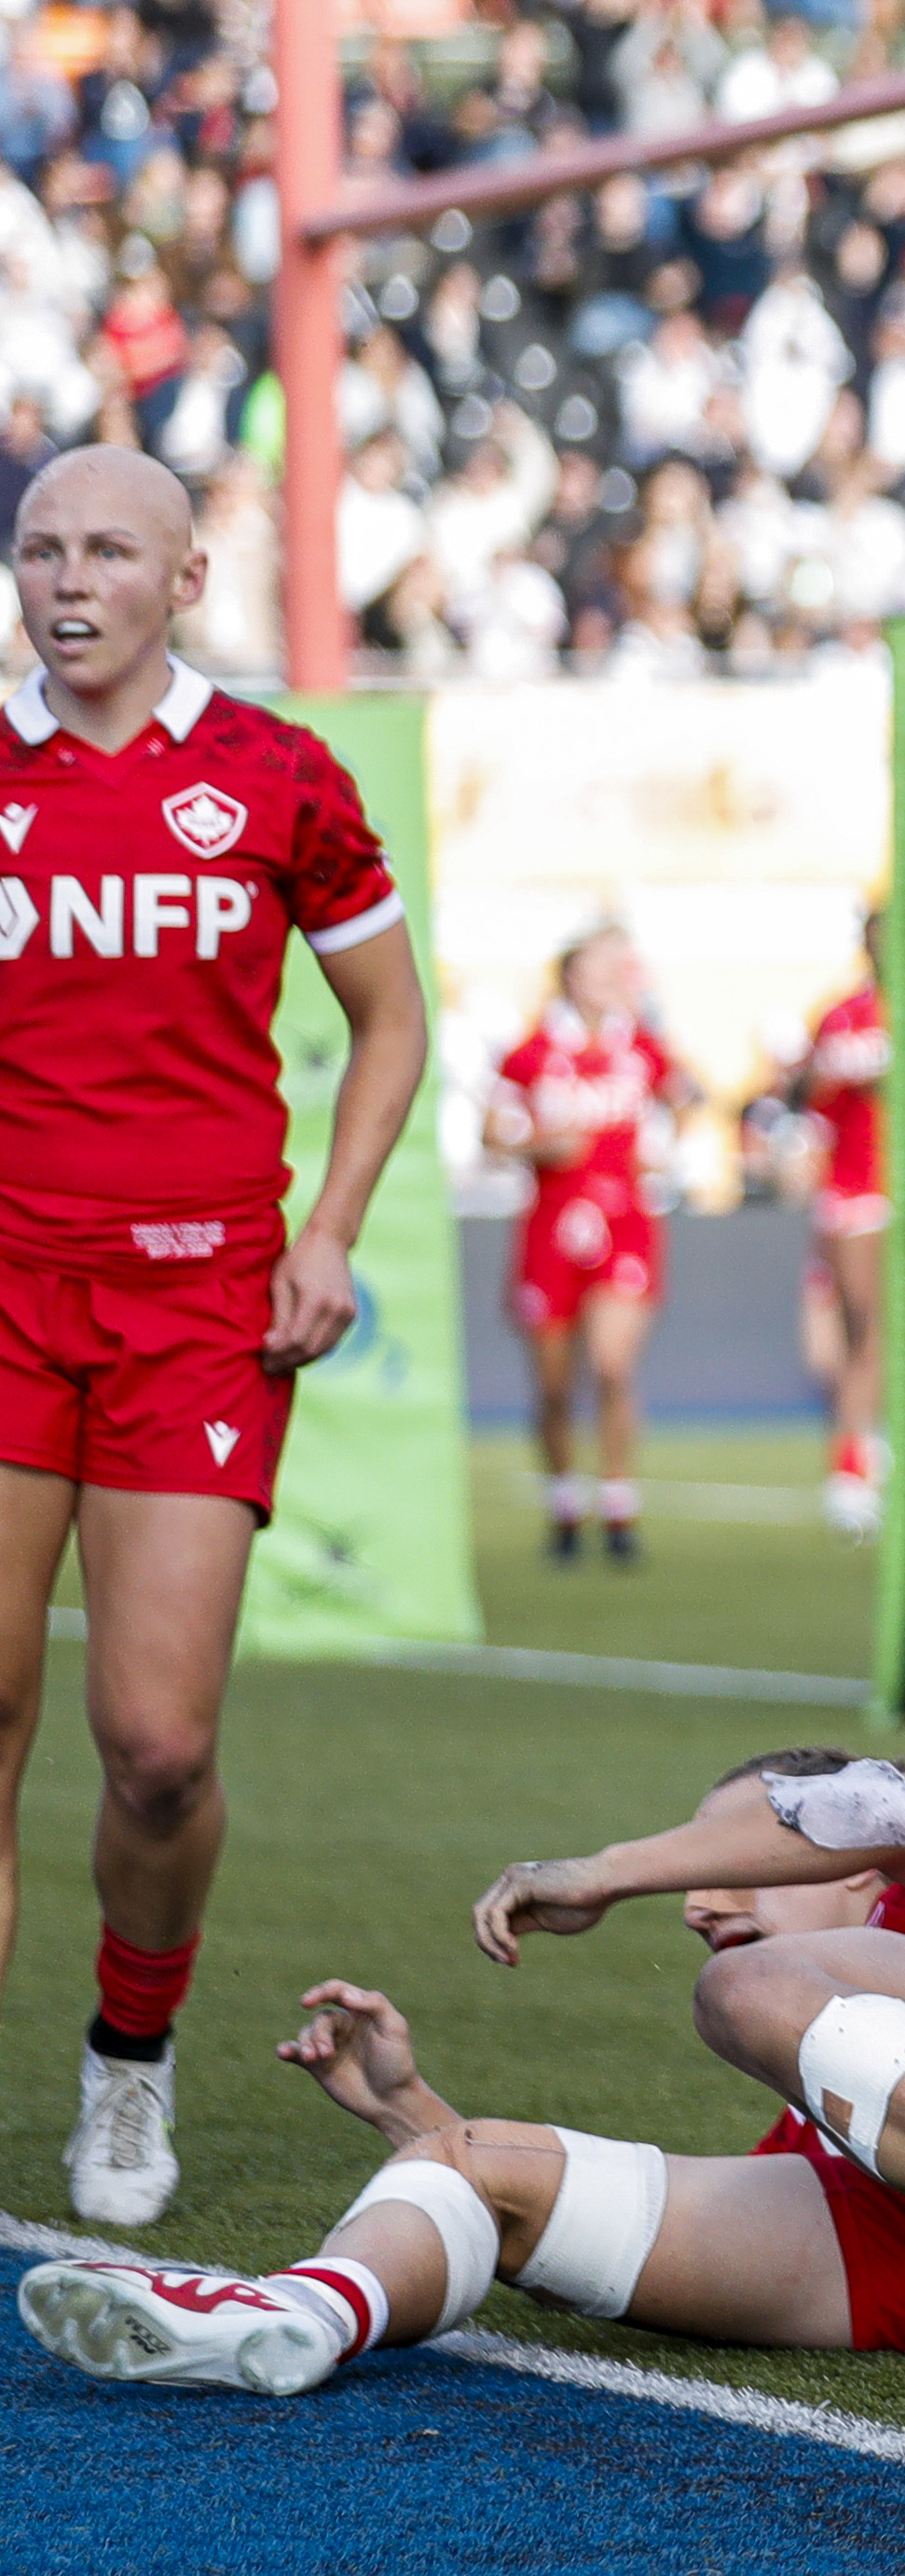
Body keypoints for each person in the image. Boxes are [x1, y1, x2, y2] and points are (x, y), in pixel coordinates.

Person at [14, 1749, 905, 2393]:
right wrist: (410, 2116)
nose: (699, 1897)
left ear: (849, 1866)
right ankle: (292, 2319)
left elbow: (869, 1805)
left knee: (742, 1990)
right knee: (472, 2166)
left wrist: (604, 1866)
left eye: (735, 1854)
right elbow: (566, 2229)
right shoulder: (845, 2086)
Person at [0, 448, 431, 2228]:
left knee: (156, 1742)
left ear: (183, 578)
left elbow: (392, 1022)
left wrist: (326, 1230)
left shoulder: (274, 773)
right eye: (38, 548)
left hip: (195, 1306)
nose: (66, 577)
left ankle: (129, 2054)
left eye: (107, 548)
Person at [488, 926, 703, 1565]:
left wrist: (667, 1144)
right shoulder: (531, 1053)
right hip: (551, 1228)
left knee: (612, 1364)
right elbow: (492, 1134)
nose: (613, 978)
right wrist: (538, 1144)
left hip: (624, 1222)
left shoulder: (640, 1045)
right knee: (554, 1383)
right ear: (572, 976)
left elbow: (690, 1095)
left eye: (619, 967)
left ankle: (618, 1506)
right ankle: (563, 1505)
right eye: (601, 966)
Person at [802, 917, 888, 1541]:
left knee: (898, 1335)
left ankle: (875, 1455)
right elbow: (811, 1098)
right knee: (869, 1331)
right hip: (858, 1193)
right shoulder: (845, 1018)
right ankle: (851, 1470)